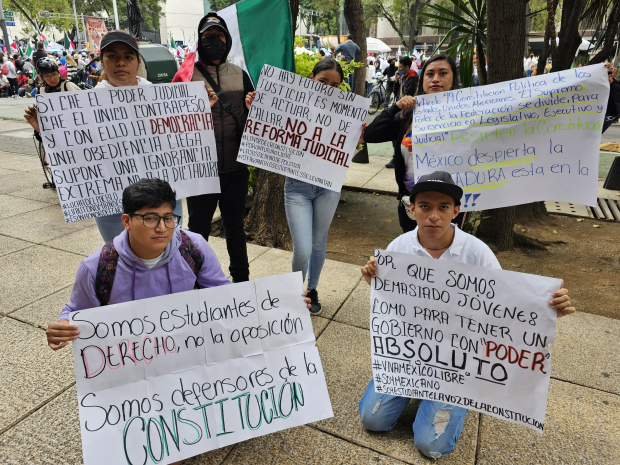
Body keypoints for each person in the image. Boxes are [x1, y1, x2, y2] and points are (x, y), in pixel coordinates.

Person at [357, 170, 574, 459]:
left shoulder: (477, 253)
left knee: (431, 446)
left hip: (458, 361)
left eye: (443, 207)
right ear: (411, 209)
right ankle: (419, 390)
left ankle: (460, 399)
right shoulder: (399, 248)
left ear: (456, 211)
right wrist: (375, 281)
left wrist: (543, 312)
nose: (433, 215)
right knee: (372, 421)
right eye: (424, 206)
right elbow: (390, 307)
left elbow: (504, 305)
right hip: (411, 354)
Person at [252, 58, 365, 315]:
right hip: (297, 189)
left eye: (335, 85)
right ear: (312, 78)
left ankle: (311, 289)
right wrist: (256, 109)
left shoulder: (344, 114)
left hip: (328, 188)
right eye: (323, 81)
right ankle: (295, 291)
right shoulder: (292, 107)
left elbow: (346, 153)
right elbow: (269, 133)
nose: (328, 88)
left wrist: (357, 141)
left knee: (318, 242)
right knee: (302, 248)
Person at [88, 31, 206, 241]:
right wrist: (47, 133)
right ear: (102, 61)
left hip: (162, 195)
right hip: (113, 203)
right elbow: (78, 151)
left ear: (137, 62)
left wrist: (198, 114)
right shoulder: (86, 104)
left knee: (169, 254)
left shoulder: (159, 97)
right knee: (121, 257)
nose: (121, 62)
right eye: (112, 56)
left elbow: (178, 139)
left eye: (128, 57)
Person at [186, 13, 255, 283]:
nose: (215, 41)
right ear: (199, 41)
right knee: (197, 232)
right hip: (200, 171)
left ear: (228, 40)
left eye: (220, 36)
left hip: (236, 169)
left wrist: (252, 110)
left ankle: (241, 281)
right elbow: (172, 126)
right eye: (208, 37)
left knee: (235, 229)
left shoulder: (240, 75)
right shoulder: (186, 76)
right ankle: (193, 281)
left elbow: (254, 124)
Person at [365, 54, 460, 233]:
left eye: (443, 73)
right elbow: (371, 134)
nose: (436, 79)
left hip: (449, 207)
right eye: (430, 74)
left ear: (453, 78)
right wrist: (396, 107)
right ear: (422, 79)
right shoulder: (408, 115)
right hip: (412, 205)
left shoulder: (468, 116)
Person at [385, 56, 418, 170]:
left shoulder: (412, 78)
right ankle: (397, 157)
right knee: (395, 135)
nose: (398, 69)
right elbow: (395, 92)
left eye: (400, 67)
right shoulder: (403, 77)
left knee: (399, 136)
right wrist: (396, 80)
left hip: (406, 112)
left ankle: (398, 158)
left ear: (407, 67)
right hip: (401, 110)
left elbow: (409, 95)